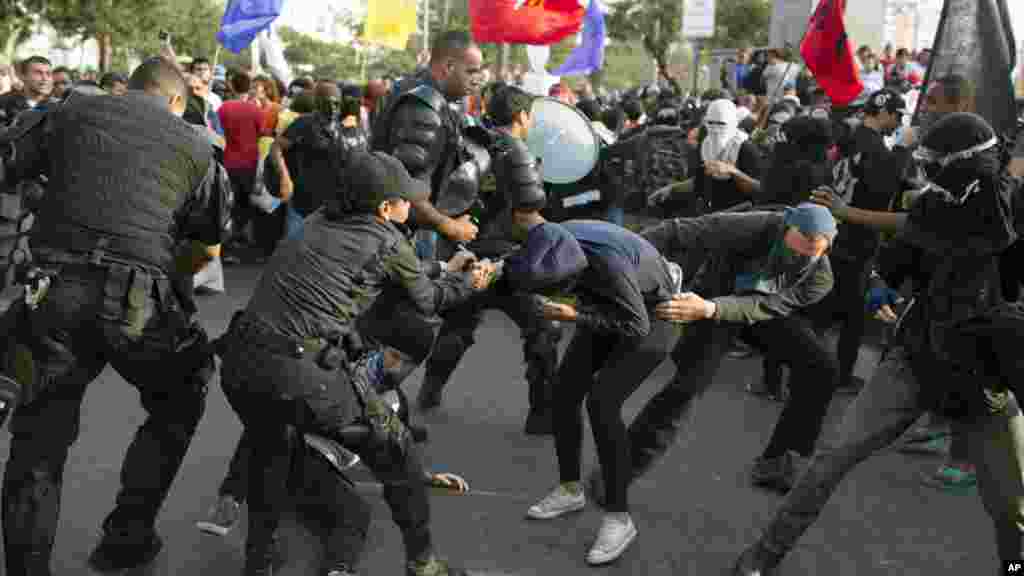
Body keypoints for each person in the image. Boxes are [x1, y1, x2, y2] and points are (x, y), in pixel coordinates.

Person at [733, 112, 1022, 576]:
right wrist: (881, 282)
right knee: (831, 460)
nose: (926, 169)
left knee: (1012, 508)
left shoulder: (1010, 209)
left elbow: (983, 238)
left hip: (986, 378)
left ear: (967, 165)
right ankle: (762, 558)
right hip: (916, 357)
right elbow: (900, 250)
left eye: (936, 161)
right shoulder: (934, 204)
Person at [0, 56, 231, 575]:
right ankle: (127, 535)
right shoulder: (196, 144)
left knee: (39, 443)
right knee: (182, 392)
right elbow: (208, 240)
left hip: (52, 295)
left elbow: (9, 164)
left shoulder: (66, 113)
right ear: (177, 101)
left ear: (129, 89)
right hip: (140, 304)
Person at [217, 149, 491, 576]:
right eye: (407, 199)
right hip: (300, 372)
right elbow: (430, 300)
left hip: (240, 362)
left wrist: (440, 267)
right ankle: (425, 565)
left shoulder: (318, 220)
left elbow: (377, 270)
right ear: (386, 207)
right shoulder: (387, 240)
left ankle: (258, 562)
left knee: (271, 453)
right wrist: (468, 282)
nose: (411, 205)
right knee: (397, 451)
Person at [508, 214, 682, 565]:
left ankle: (620, 517)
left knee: (602, 404)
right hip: (607, 305)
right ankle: (571, 489)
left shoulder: (609, 267)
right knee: (564, 391)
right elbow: (511, 266)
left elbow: (635, 326)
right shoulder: (549, 238)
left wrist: (574, 316)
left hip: (653, 316)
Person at [417, 85, 561, 434]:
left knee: (457, 326)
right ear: (522, 116)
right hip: (510, 260)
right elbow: (530, 211)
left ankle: (429, 391)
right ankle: (541, 413)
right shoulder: (516, 151)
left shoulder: (468, 142)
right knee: (543, 328)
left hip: (467, 251)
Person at [371, 30, 487, 259]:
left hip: (410, 226)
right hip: (397, 232)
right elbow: (406, 189)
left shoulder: (432, 96)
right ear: (449, 66)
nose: (478, 79)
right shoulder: (423, 105)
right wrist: (450, 227)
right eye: (471, 71)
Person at [0, 56, 55, 126]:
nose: (45, 78)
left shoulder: (57, 106)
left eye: (48, 74)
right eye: (38, 73)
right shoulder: (4, 102)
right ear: (23, 76)